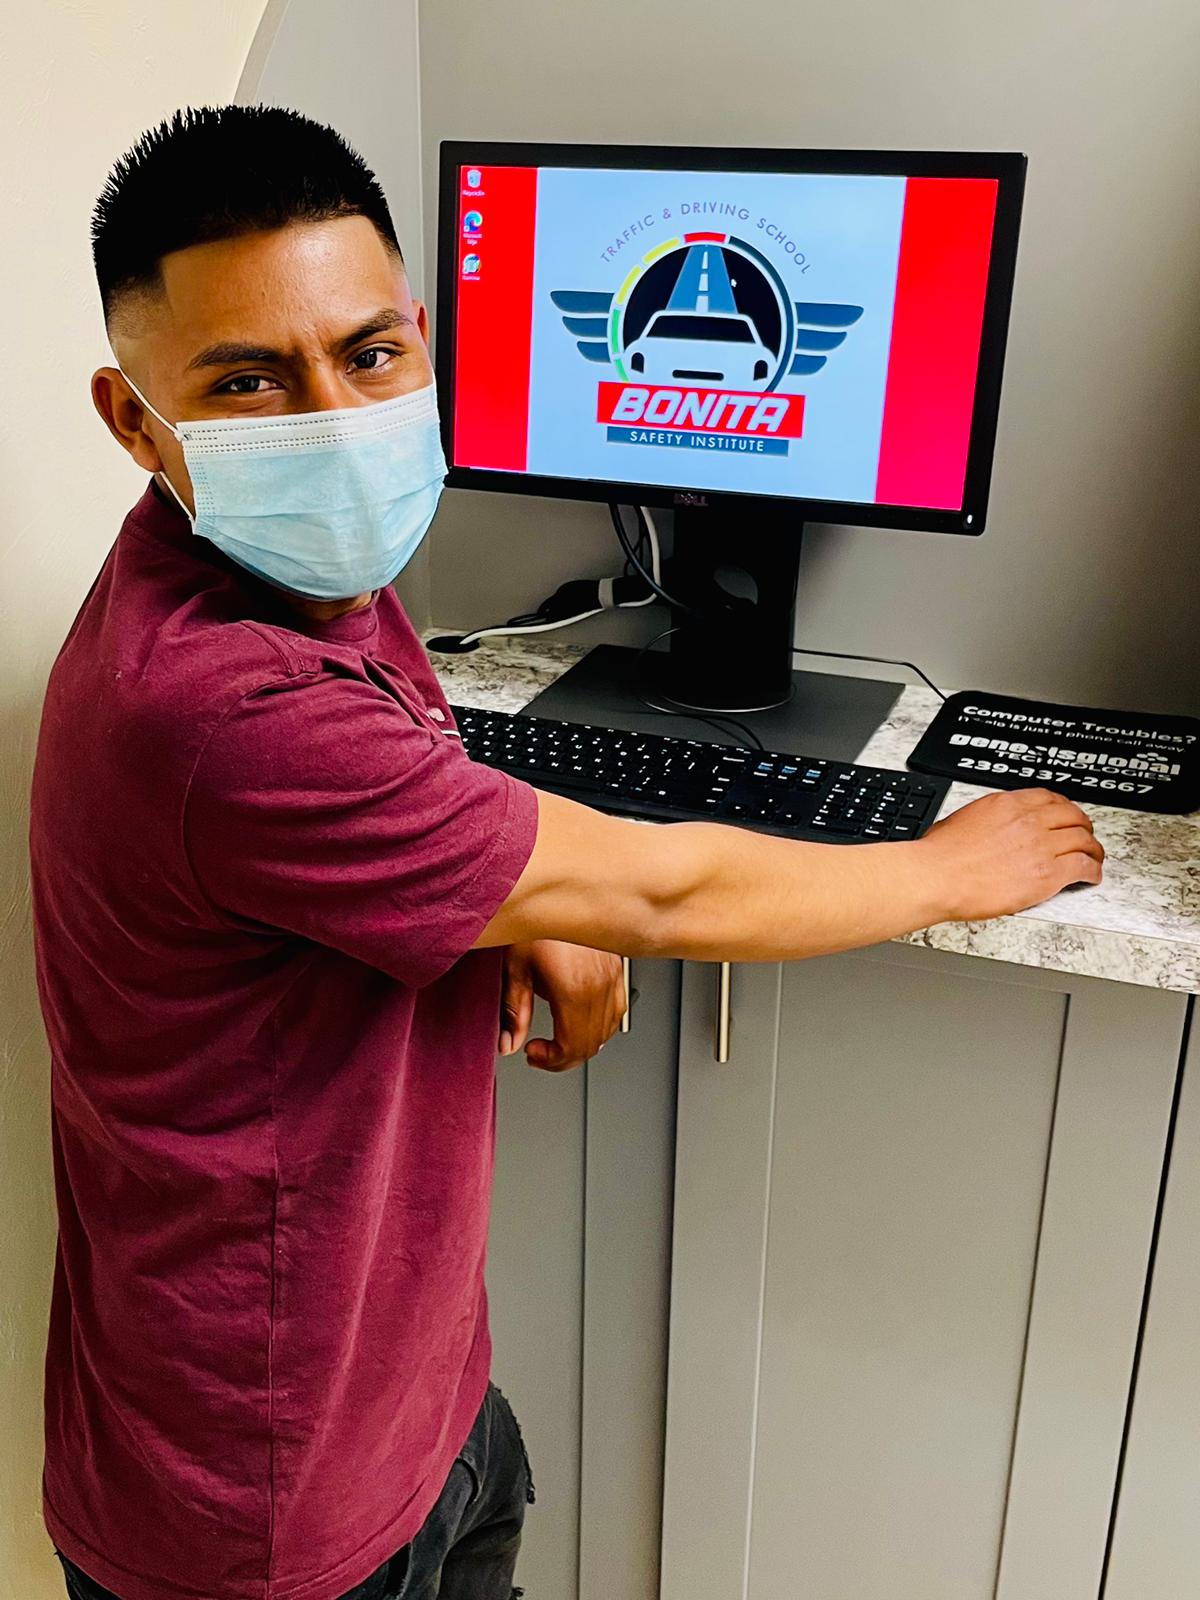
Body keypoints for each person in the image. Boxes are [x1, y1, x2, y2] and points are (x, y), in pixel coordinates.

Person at [28, 105, 1104, 1600]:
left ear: (421, 338)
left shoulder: (293, 576)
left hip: (417, 1398)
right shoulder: (226, 711)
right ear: (136, 419)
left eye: (368, 354)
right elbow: (663, 884)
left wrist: (503, 893)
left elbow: (407, 784)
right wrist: (945, 868)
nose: (331, 419)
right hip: (268, 1504)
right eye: (248, 381)